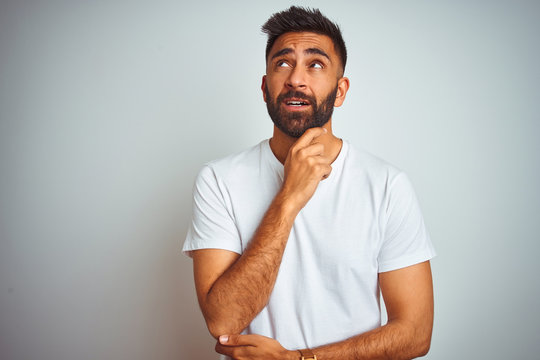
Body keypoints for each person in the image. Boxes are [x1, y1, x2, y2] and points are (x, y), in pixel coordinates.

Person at [183, 6, 436, 360]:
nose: (296, 79)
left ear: (341, 90)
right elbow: (223, 319)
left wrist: (299, 359)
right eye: (282, 63)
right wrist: (289, 198)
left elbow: (415, 333)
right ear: (264, 86)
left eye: (315, 64)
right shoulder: (219, 180)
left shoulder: (387, 185)